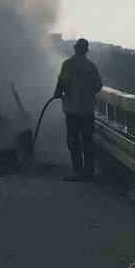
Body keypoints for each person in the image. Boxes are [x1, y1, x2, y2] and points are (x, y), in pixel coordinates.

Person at [54, 37, 103, 182]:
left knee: (73, 141)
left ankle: (78, 172)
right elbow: (98, 86)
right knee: (88, 141)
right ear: (86, 51)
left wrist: (58, 93)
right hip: (87, 110)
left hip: (72, 111)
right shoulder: (91, 66)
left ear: (75, 49)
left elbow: (60, 85)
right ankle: (89, 172)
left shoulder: (67, 65)